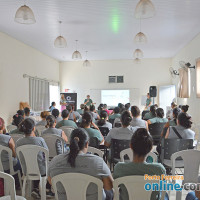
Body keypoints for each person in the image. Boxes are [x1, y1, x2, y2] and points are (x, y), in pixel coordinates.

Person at [48, 128, 113, 200]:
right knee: (110, 192)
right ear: (87, 144)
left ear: (70, 142)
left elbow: (51, 182)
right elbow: (109, 186)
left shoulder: (55, 161)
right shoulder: (98, 162)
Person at [113, 128, 167, 200]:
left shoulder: (119, 168)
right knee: (165, 194)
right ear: (151, 148)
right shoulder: (159, 169)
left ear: (131, 146)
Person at [16, 118, 50, 198]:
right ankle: (43, 190)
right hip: (41, 170)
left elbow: (18, 157)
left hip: (25, 170)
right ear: (34, 128)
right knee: (46, 164)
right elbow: (46, 154)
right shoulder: (40, 140)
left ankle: (35, 189)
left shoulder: (18, 142)